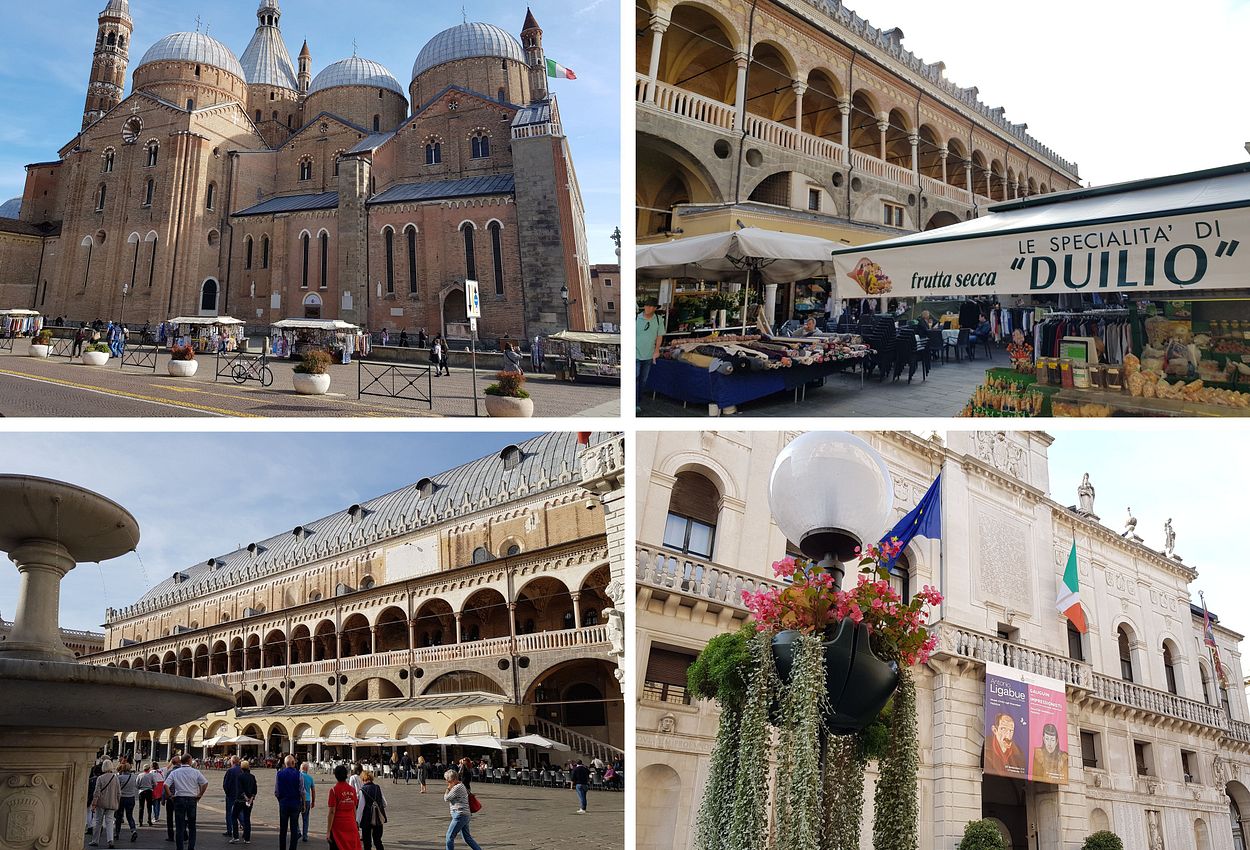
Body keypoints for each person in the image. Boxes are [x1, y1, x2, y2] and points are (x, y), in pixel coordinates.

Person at [167, 754, 208, 850]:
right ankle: (191, 847)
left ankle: (180, 848)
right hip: (191, 799)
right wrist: (200, 794)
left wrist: (170, 796)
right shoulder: (195, 772)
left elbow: (166, 785)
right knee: (192, 826)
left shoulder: (175, 772)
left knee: (179, 826)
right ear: (189, 761)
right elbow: (205, 783)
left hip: (179, 798)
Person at [443, 769, 483, 850]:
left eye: (447, 780)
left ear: (453, 779)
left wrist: (448, 789)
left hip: (460, 815)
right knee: (467, 837)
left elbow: (446, 798)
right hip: (464, 814)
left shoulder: (457, 787)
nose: (446, 782)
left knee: (449, 836)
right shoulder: (460, 785)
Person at [635, 297, 663, 413]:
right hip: (635, 354)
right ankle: (635, 404)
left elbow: (659, 336)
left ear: (655, 308)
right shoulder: (636, 318)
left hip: (648, 355)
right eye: (646, 305)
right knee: (635, 378)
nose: (648, 308)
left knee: (643, 381)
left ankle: (638, 401)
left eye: (651, 306)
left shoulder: (658, 320)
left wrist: (656, 351)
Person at [326, 764, 362, 850]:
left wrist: (328, 830)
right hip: (351, 824)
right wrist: (355, 822)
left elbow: (332, 812)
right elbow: (354, 808)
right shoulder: (352, 790)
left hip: (338, 825)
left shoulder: (334, 790)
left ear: (336, 775)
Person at [90, 759, 121, 848]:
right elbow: (119, 792)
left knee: (98, 822)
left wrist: (94, 804)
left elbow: (96, 793)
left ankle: (95, 840)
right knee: (109, 822)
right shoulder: (115, 778)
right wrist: (117, 802)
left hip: (101, 803)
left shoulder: (100, 778)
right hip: (111, 803)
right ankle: (110, 840)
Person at [274, 755, 303, 850]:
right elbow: (302, 790)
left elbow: (276, 791)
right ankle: (292, 848)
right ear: (293, 763)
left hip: (284, 803)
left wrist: (280, 800)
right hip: (295, 803)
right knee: (294, 828)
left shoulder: (279, 774)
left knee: (283, 828)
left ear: (285, 764)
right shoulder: (299, 774)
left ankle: (282, 848)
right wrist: (302, 802)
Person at [985, 713, 1026, 777]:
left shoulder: (1019, 753)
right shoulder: (986, 748)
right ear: (995, 730)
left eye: (1011, 731)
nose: (1008, 735)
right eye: (1003, 729)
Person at [229, 759, 257, 845]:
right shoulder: (252, 777)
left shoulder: (239, 777)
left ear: (241, 768)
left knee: (234, 816)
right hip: (249, 801)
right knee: (247, 819)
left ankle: (236, 837)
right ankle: (247, 839)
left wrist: (245, 797)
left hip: (240, 800)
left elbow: (240, 789)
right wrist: (251, 798)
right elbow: (255, 789)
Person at [358, 772, 387, 850]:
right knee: (378, 841)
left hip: (366, 819)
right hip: (377, 818)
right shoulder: (377, 788)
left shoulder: (362, 790)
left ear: (363, 779)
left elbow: (360, 808)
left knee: (367, 843)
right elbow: (385, 803)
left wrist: (357, 821)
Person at [114, 757, 139, 843]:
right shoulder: (134, 777)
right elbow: (136, 785)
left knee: (119, 816)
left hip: (122, 798)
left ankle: (117, 833)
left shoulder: (120, 778)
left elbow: (117, 789)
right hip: (131, 798)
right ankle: (133, 830)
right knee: (130, 816)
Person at [222, 756, 242, 837]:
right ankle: (245, 827)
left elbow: (226, 784)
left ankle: (230, 830)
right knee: (240, 812)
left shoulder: (230, 771)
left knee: (229, 813)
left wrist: (227, 792)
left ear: (232, 762)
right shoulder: (242, 770)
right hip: (240, 795)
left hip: (231, 794)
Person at [300, 762, 316, 843]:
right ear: (307, 769)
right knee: (305, 818)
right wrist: (313, 801)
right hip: (307, 800)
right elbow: (313, 790)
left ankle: (297, 831)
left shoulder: (298, 776)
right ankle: (305, 835)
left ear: (301, 768)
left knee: (294, 817)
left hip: (298, 799)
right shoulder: (310, 778)